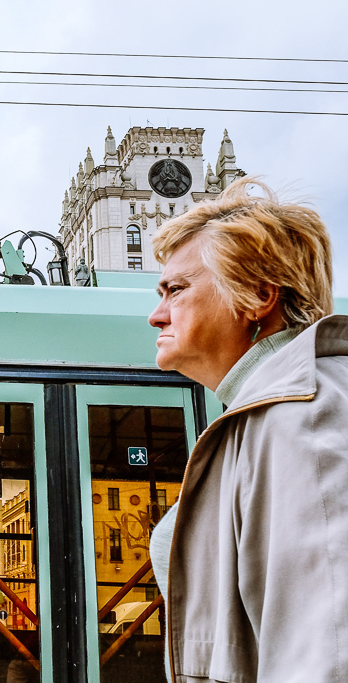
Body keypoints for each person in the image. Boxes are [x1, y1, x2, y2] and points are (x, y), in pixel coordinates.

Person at [146, 176, 348, 682]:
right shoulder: (261, 414)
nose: (156, 315)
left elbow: (328, 651)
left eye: (176, 289)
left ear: (258, 295)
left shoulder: (303, 412)